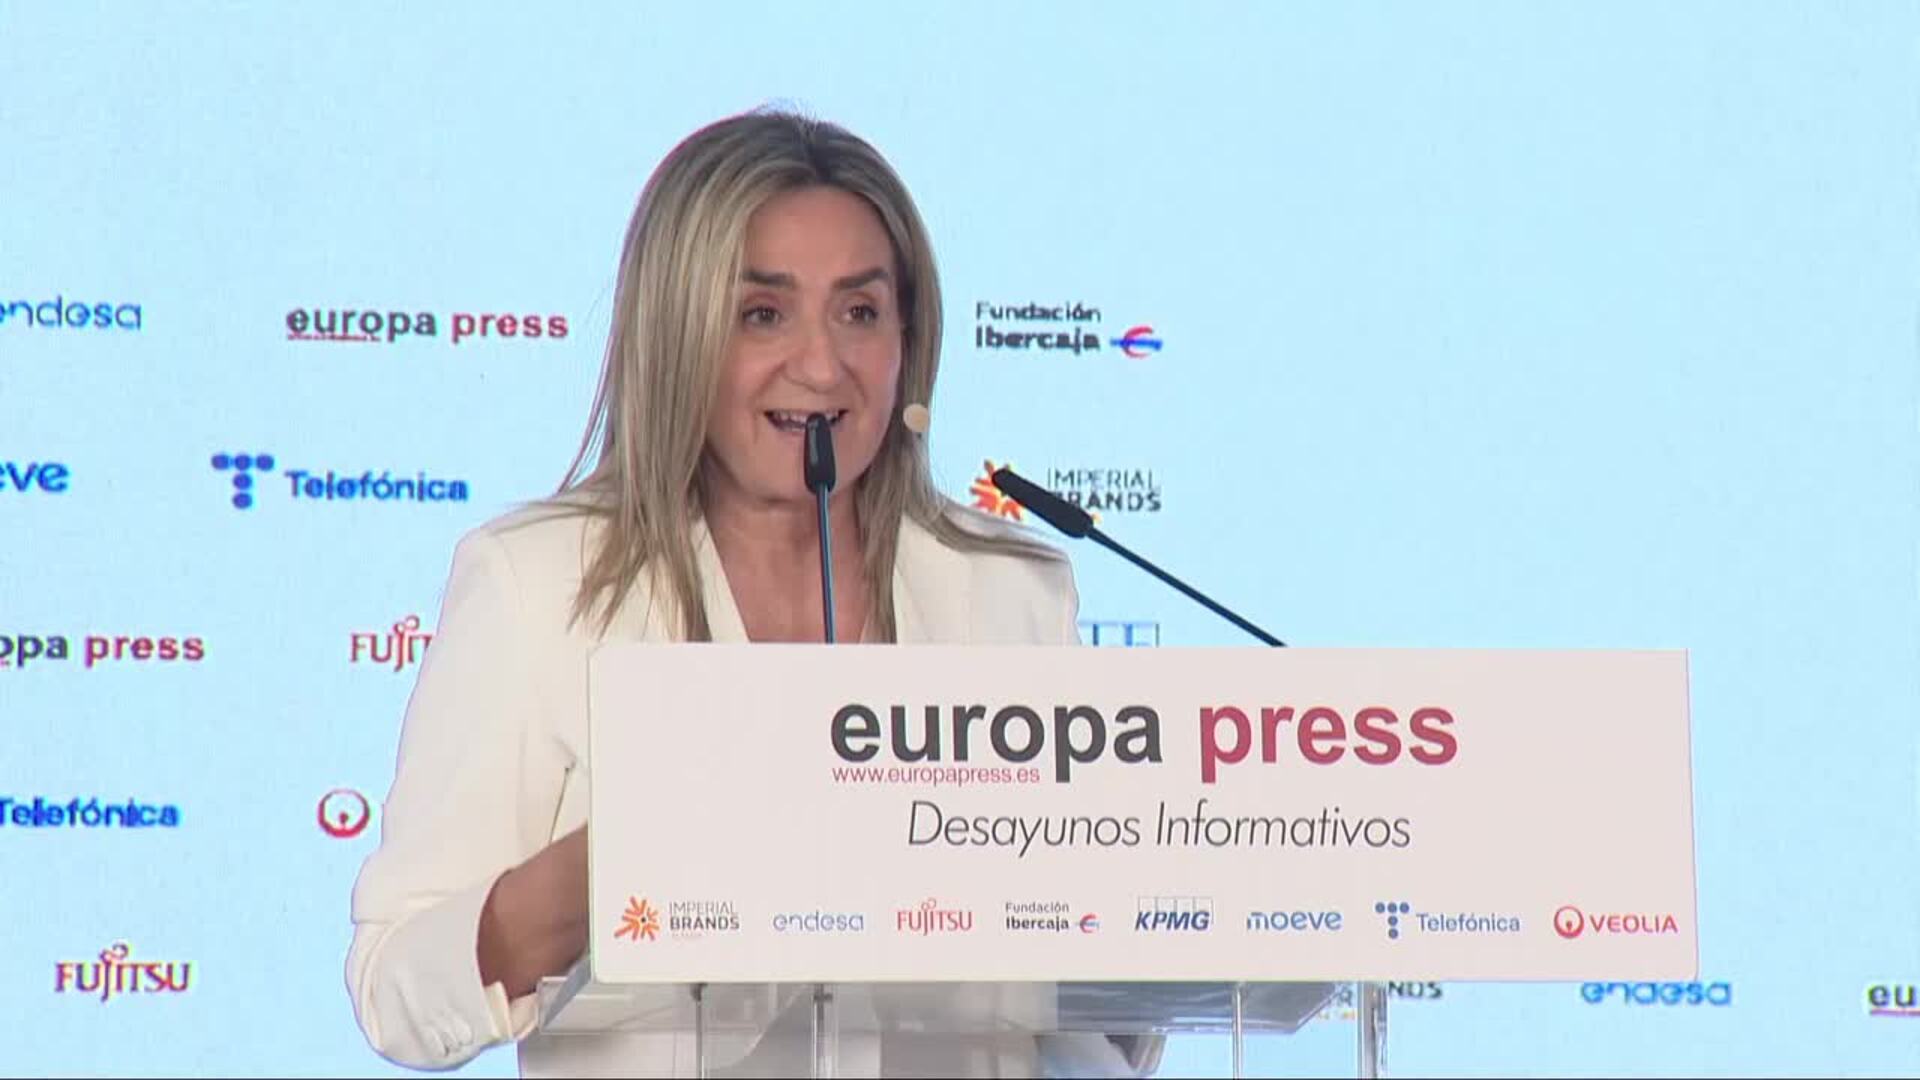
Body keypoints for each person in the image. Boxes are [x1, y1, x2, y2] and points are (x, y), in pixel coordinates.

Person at [344, 109, 1162, 1078]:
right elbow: (397, 989)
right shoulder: (537, 584)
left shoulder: (1007, 588)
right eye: (763, 314)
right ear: (678, 334)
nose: (821, 366)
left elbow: (1104, 999)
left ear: (909, 340)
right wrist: (610, 868)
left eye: (861, 312)